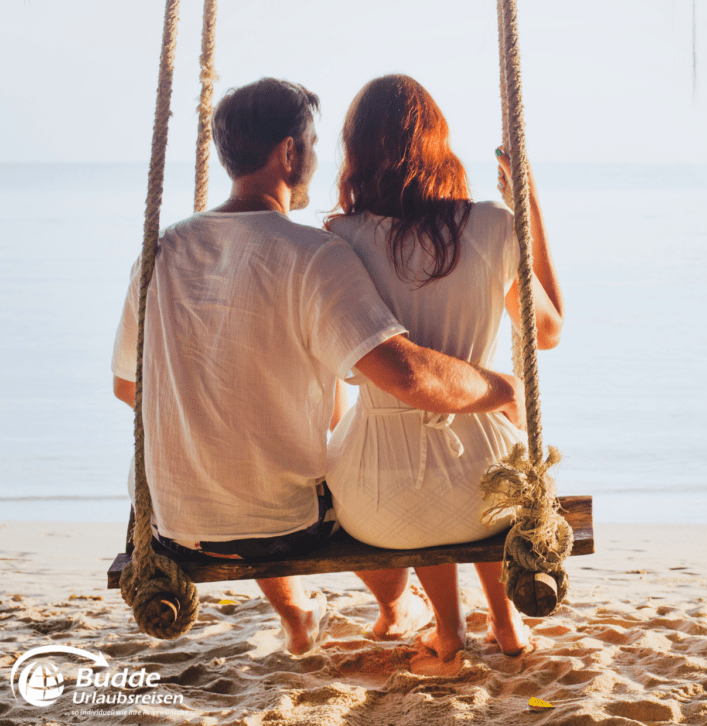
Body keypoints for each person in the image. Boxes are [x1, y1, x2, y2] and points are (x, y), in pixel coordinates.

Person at [110, 77, 525, 656]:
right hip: (283, 529)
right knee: (336, 481)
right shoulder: (313, 254)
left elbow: (127, 386)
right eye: (310, 142)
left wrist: (214, 430)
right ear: (289, 153)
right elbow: (406, 376)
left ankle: (303, 616)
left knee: (273, 469)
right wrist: (500, 386)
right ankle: (394, 606)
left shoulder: (162, 249)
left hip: (173, 524)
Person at [324, 75, 564, 661]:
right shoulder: (490, 226)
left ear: (355, 151)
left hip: (380, 502)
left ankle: (449, 631)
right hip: (487, 481)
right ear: (439, 142)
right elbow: (548, 331)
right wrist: (526, 209)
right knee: (484, 480)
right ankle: (507, 628)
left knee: (421, 488)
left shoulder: (339, 238)